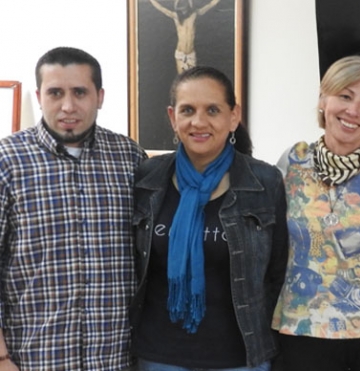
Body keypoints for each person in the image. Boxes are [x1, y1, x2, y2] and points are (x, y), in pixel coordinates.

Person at [130, 66, 287, 371]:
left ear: (233, 116)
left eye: (212, 110)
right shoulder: (146, 178)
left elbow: (279, 274)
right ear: (173, 117)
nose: (199, 122)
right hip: (158, 356)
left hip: (240, 357)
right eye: (187, 110)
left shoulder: (264, 182)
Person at [0, 46, 146, 370]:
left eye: (80, 92)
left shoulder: (130, 159)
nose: (68, 106)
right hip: (33, 360)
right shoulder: (7, 162)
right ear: (39, 96)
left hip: (115, 360)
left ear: (100, 96)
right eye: (55, 93)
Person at [272, 55, 360, 371]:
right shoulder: (292, 162)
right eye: (345, 96)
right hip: (303, 327)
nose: (353, 111)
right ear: (324, 100)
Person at [149, 0, 222, 73]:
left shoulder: (194, 15)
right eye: (181, 7)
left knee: (191, 78)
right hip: (180, 53)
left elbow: (210, 5)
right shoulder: (176, 17)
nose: (183, 9)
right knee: (182, 78)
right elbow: (161, 8)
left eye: (184, 6)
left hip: (190, 54)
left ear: (188, 6)